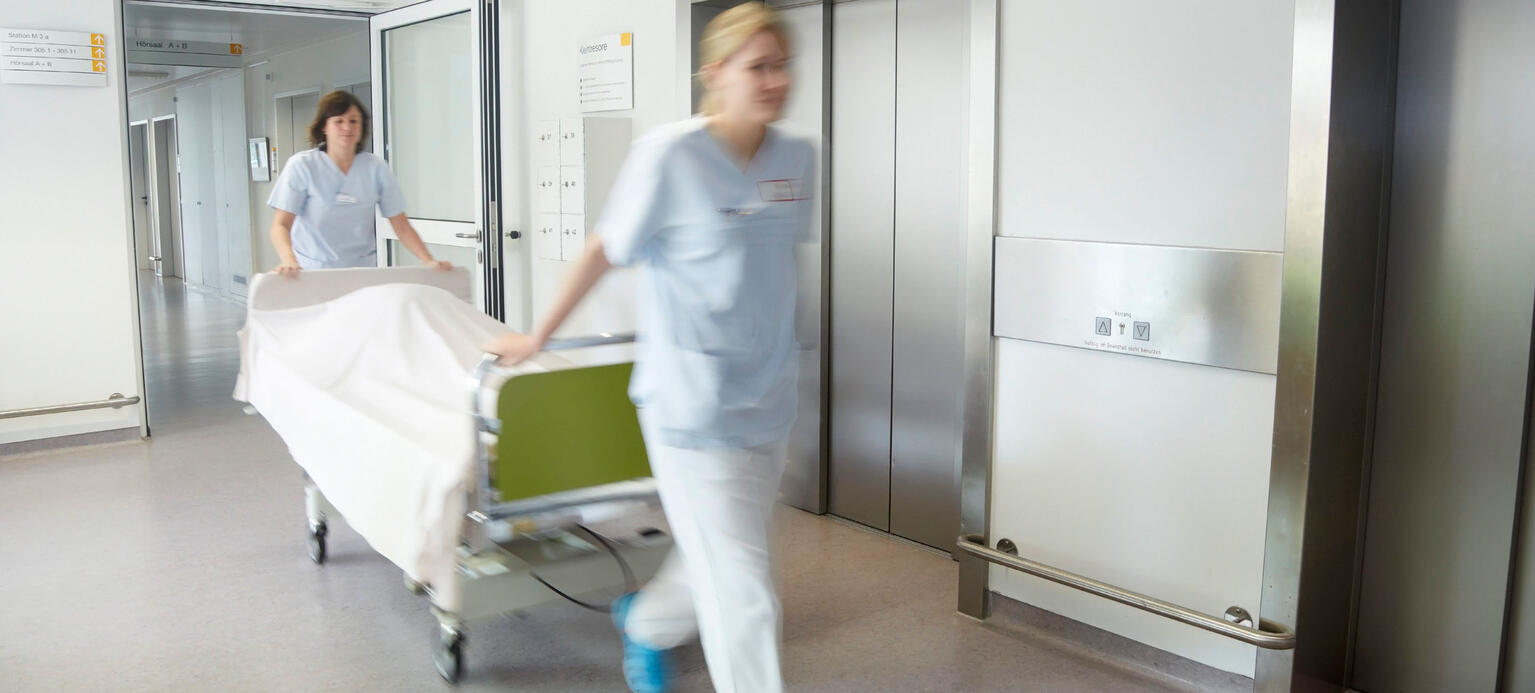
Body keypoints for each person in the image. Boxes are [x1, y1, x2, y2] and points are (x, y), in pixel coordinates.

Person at [486, 4, 810, 692]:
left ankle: (648, 622)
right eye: (759, 66)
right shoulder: (670, 154)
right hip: (693, 408)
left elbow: (777, 271)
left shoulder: (796, 157)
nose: (776, 80)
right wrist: (539, 335)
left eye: (782, 65)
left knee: (721, 561)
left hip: (769, 398)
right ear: (714, 73)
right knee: (747, 591)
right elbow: (604, 248)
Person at [266, 90, 449, 273]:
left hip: (361, 273)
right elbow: (280, 225)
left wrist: (428, 260)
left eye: (353, 121)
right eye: (339, 121)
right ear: (324, 127)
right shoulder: (302, 166)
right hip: (312, 272)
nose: (347, 128)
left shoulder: (375, 167)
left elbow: (400, 223)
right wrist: (288, 259)